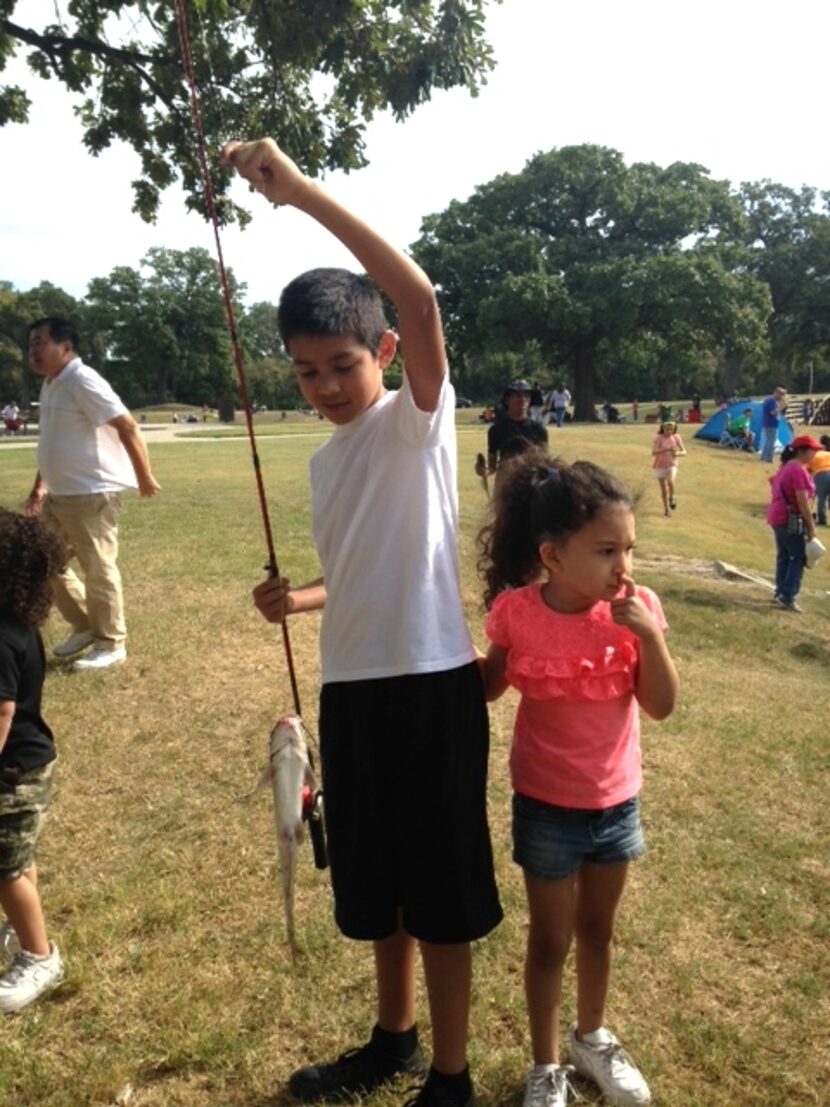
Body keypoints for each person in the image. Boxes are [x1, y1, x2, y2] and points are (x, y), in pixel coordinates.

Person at [223, 137, 502, 1107]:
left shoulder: (414, 420)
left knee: (439, 895)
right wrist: (294, 598)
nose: (323, 387)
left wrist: (296, 194)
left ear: (380, 354)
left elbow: (419, 300)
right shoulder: (321, 463)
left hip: (430, 687)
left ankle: (452, 1076)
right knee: (375, 883)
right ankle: (393, 1038)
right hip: (350, 695)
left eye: (339, 364)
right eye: (303, 373)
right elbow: (354, 575)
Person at [477, 451, 677, 1107]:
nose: (624, 565)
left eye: (629, 548)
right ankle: (547, 1065)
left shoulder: (637, 609)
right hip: (546, 809)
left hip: (615, 803)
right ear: (554, 555)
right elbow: (487, 685)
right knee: (549, 940)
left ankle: (592, 1034)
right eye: (606, 550)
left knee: (598, 931)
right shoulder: (517, 612)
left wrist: (651, 639)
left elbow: (661, 703)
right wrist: (444, 658)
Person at [23, 318, 161, 671]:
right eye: (31, 344)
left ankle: (112, 643)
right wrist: (41, 485)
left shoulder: (82, 380)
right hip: (59, 494)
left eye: (40, 342)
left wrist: (144, 476)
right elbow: (52, 441)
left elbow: (127, 425)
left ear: (65, 347)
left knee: (98, 568)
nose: (33, 351)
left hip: (90, 494)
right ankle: (85, 624)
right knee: (46, 560)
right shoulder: (52, 383)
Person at [0, 508, 69, 1014]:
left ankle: (39, 956)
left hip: (12, 772)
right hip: (28, 764)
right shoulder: (16, 622)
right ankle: (17, 924)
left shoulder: (0, 635)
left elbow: (2, 712)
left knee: (4, 869)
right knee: (16, 862)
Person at [767, 436, 820, 612]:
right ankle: (788, 595)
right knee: (798, 555)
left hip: (776, 515)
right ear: (803, 451)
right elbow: (803, 501)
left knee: (784, 555)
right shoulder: (798, 470)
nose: (815, 454)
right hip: (789, 518)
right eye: (813, 450)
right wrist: (811, 527)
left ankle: (780, 591)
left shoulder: (785, 467)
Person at [481, 380, 548, 484]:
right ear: (507, 400)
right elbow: (492, 466)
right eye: (517, 396)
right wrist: (483, 470)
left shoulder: (539, 430)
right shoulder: (496, 430)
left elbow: (544, 464)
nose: (522, 400)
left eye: (526, 396)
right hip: (505, 485)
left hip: (530, 484)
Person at [651, 419, 687, 517]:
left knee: (670, 482)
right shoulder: (659, 438)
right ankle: (666, 509)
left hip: (672, 464)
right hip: (659, 465)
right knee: (663, 490)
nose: (669, 431)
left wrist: (677, 453)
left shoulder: (676, 437)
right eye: (667, 429)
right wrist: (665, 450)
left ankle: (672, 498)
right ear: (663, 429)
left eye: (671, 429)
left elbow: (684, 451)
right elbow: (653, 452)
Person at [807, 435, 830, 526]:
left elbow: (807, 471)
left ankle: (822, 519)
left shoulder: (814, 456)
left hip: (821, 475)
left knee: (822, 498)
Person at [760, 387, 787, 463]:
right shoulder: (771, 401)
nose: (782, 397)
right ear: (776, 393)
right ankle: (768, 458)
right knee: (771, 441)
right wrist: (781, 407)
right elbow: (772, 412)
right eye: (781, 394)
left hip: (771, 424)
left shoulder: (772, 400)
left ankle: (764, 456)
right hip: (770, 424)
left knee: (769, 441)